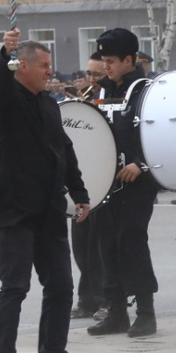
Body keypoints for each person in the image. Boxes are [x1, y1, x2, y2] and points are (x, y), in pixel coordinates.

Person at [0, 28, 96, 353]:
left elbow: (64, 150)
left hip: (49, 209)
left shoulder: (48, 104)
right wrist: (5, 52)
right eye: (44, 65)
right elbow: (2, 82)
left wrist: (79, 192)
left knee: (61, 285)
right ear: (23, 67)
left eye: (50, 65)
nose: (50, 71)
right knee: (14, 287)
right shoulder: (9, 101)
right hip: (15, 210)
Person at [86, 28, 161, 339]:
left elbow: (160, 134)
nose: (106, 67)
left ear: (129, 60)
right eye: (104, 60)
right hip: (107, 181)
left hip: (137, 181)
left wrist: (141, 163)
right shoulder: (102, 92)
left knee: (132, 240)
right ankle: (116, 311)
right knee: (106, 244)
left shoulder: (147, 92)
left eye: (112, 61)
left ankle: (146, 311)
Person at [70, 53, 108, 322]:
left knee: (100, 247)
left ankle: (106, 299)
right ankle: (86, 299)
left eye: (97, 75)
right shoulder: (84, 100)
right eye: (89, 74)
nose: (92, 80)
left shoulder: (112, 99)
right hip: (83, 181)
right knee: (81, 244)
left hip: (104, 179)